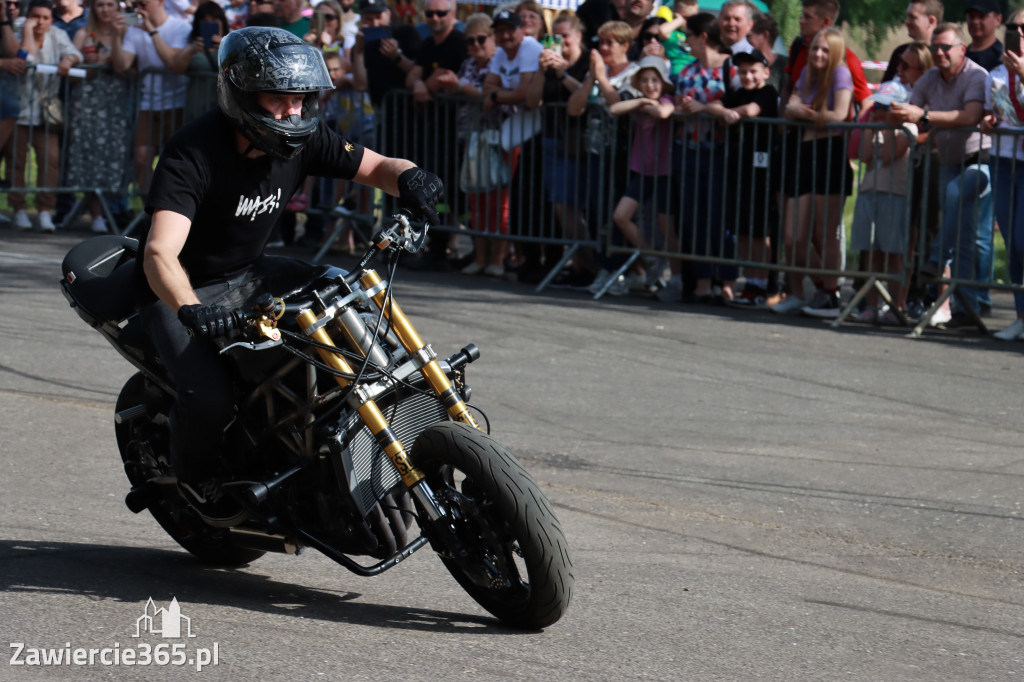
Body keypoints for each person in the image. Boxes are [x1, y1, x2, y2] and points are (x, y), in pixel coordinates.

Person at [138, 26, 444, 519]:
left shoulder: (303, 139)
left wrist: (410, 177)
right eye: (279, 99)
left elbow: (378, 167)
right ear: (240, 94)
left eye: (300, 98)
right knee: (210, 399)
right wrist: (192, 309)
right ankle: (196, 483)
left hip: (252, 272)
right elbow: (158, 254)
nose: (293, 112)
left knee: (346, 303)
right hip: (184, 291)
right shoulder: (191, 153)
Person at [890, 23, 992, 328]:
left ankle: (934, 259)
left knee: (965, 218)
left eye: (946, 47)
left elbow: (969, 117)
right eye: (936, 47)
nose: (939, 52)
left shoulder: (976, 75)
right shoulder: (931, 76)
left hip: (980, 160)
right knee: (961, 235)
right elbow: (912, 106)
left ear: (962, 49)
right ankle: (967, 308)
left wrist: (921, 117)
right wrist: (893, 110)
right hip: (948, 160)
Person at [771, 27, 853, 318]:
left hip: (829, 154)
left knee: (824, 232)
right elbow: (790, 106)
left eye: (825, 50)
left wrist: (805, 113)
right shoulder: (806, 72)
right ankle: (807, 289)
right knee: (793, 236)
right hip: (802, 154)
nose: (818, 54)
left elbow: (840, 115)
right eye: (816, 48)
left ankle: (830, 296)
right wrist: (799, 111)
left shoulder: (841, 74)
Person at [660, 12, 737, 303]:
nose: (685, 42)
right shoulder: (687, 71)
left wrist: (704, 109)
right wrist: (682, 110)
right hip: (688, 149)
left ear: (702, 36)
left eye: (688, 36)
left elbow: (736, 107)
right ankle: (703, 281)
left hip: (720, 151)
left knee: (720, 218)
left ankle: (728, 282)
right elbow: (680, 105)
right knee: (693, 218)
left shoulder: (729, 68)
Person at [567, 20, 639, 292]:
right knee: (596, 214)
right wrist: (592, 79)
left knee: (615, 215)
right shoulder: (598, 71)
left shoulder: (636, 72)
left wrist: (603, 79)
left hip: (623, 155)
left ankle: (621, 269)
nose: (604, 48)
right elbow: (574, 109)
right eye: (601, 43)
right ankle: (604, 268)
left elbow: (619, 106)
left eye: (610, 43)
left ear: (625, 45)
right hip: (596, 152)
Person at [706, 48, 779, 308]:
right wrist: (724, 112)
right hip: (739, 168)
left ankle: (763, 283)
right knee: (743, 230)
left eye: (753, 71)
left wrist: (732, 113)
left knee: (759, 230)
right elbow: (715, 105)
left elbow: (751, 110)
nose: (747, 76)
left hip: (763, 168)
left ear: (765, 72)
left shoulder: (768, 92)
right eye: (743, 71)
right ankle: (750, 282)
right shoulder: (735, 94)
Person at [525, 9, 592, 287]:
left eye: (565, 37)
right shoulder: (550, 64)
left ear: (578, 36)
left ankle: (588, 265)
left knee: (576, 208)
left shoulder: (588, 60)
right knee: (562, 208)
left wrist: (563, 73)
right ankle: (579, 266)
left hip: (583, 143)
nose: (561, 43)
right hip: (553, 140)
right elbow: (532, 101)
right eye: (556, 37)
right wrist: (543, 72)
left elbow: (586, 94)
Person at [8, 0, 82, 232]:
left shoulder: (57, 33)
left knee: (50, 161)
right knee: (16, 161)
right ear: (28, 16)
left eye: (45, 17)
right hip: (19, 109)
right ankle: (18, 208)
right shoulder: (17, 30)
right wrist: (28, 30)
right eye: (35, 17)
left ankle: (44, 211)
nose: (40, 22)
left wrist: (68, 60)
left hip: (46, 111)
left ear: (51, 19)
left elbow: (75, 53)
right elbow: (25, 57)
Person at [482, 8, 543, 280]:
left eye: (511, 29)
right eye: (500, 30)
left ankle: (530, 258)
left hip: (536, 131)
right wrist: (500, 94)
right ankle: (518, 257)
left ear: (523, 30)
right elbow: (487, 86)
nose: (505, 35)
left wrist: (497, 96)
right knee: (508, 194)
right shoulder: (499, 53)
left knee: (523, 199)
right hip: (515, 129)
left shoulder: (530, 47)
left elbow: (525, 94)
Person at [849, 81, 917, 324]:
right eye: (878, 105)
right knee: (871, 253)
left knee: (894, 254)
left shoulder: (908, 129)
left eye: (887, 106)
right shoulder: (875, 126)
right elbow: (865, 155)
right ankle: (871, 305)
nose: (880, 110)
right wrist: (870, 126)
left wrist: (889, 126)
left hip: (895, 195)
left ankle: (896, 305)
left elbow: (888, 156)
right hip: (870, 191)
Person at [607, 55, 674, 294]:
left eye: (654, 80)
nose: (650, 85)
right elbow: (614, 108)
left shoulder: (666, 98)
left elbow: (665, 113)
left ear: (663, 82)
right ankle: (652, 258)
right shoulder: (639, 102)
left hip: (665, 171)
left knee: (666, 226)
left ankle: (672, 271)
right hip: (643, 171)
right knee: (621, 216)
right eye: (644, 80)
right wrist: (639, 102)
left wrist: (649, 104)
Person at [112, 0, 191, 194]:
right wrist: (116, 35)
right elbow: (122, 65)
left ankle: (173, 207)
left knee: (175, 163)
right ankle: (148, 211)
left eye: (143, 3)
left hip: (178, 104)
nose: (139, 8)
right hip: (149, 104)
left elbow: (171, 61)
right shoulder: (134, 30)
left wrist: (151, 31)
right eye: (136, 4)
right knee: (141, 159)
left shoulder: (181, 26)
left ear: (159, 2)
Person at [66, 0, 131, 234]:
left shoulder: (126, 33)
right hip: (87, 103)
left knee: (111, 155)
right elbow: (72, 74)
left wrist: (115, 37)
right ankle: (94, 212)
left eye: (110, 4)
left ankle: (108, 209)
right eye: (100, 5)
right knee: (87, 153)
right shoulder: (84, 33)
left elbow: (125, 67)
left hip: (114, 103)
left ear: (117, 8)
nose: (105, 9)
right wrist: (89, 67)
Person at [456, 12, 509, 276]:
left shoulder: (500, 62)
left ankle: (497, 260)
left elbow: (487, 94)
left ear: (493, 39)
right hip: (471, 135)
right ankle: (480, 257)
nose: (476, 45)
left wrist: (461, 88)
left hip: (498, 137)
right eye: (470, 41)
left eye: (481, 39)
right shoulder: (467, 64)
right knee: (476, 198)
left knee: (498, 200)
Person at [982, 13, 1024, 340]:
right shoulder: (995, 74)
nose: (1018, 33)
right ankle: (1021, 316)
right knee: (1013, 244)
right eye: (1013, 28)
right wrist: (988, 122)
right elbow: (995, 112)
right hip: (1003, 161)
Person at [782, 0, 870, 111]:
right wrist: (782, 124)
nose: (801, 21)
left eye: (807, 17)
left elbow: (866, 103)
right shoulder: (798, 47)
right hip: (799, 127)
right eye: (801, 16)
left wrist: (858, 129)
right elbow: (787, 88)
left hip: (833, 127)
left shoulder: (846, 57)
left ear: (826, 22)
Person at [166, 1, 230, 123]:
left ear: (222, 22)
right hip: (196, 109)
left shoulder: (231, 46)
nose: (210, 24)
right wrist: (191, 50)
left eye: (214, 20)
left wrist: (224, 46)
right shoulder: (191, 48)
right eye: (205, 21)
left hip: (223, 109)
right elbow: (177, 68)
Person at [747, 11, 786, 92]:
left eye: (749, 36)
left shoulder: (785, 64)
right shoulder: (746, 62)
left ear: (765, 35)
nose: (746, 41)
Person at [965, 0, 1002, 72]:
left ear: (998, 19)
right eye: (971, 17)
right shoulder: (960, 57)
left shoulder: (1003, 59)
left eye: (981, 16)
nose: (975, 21)